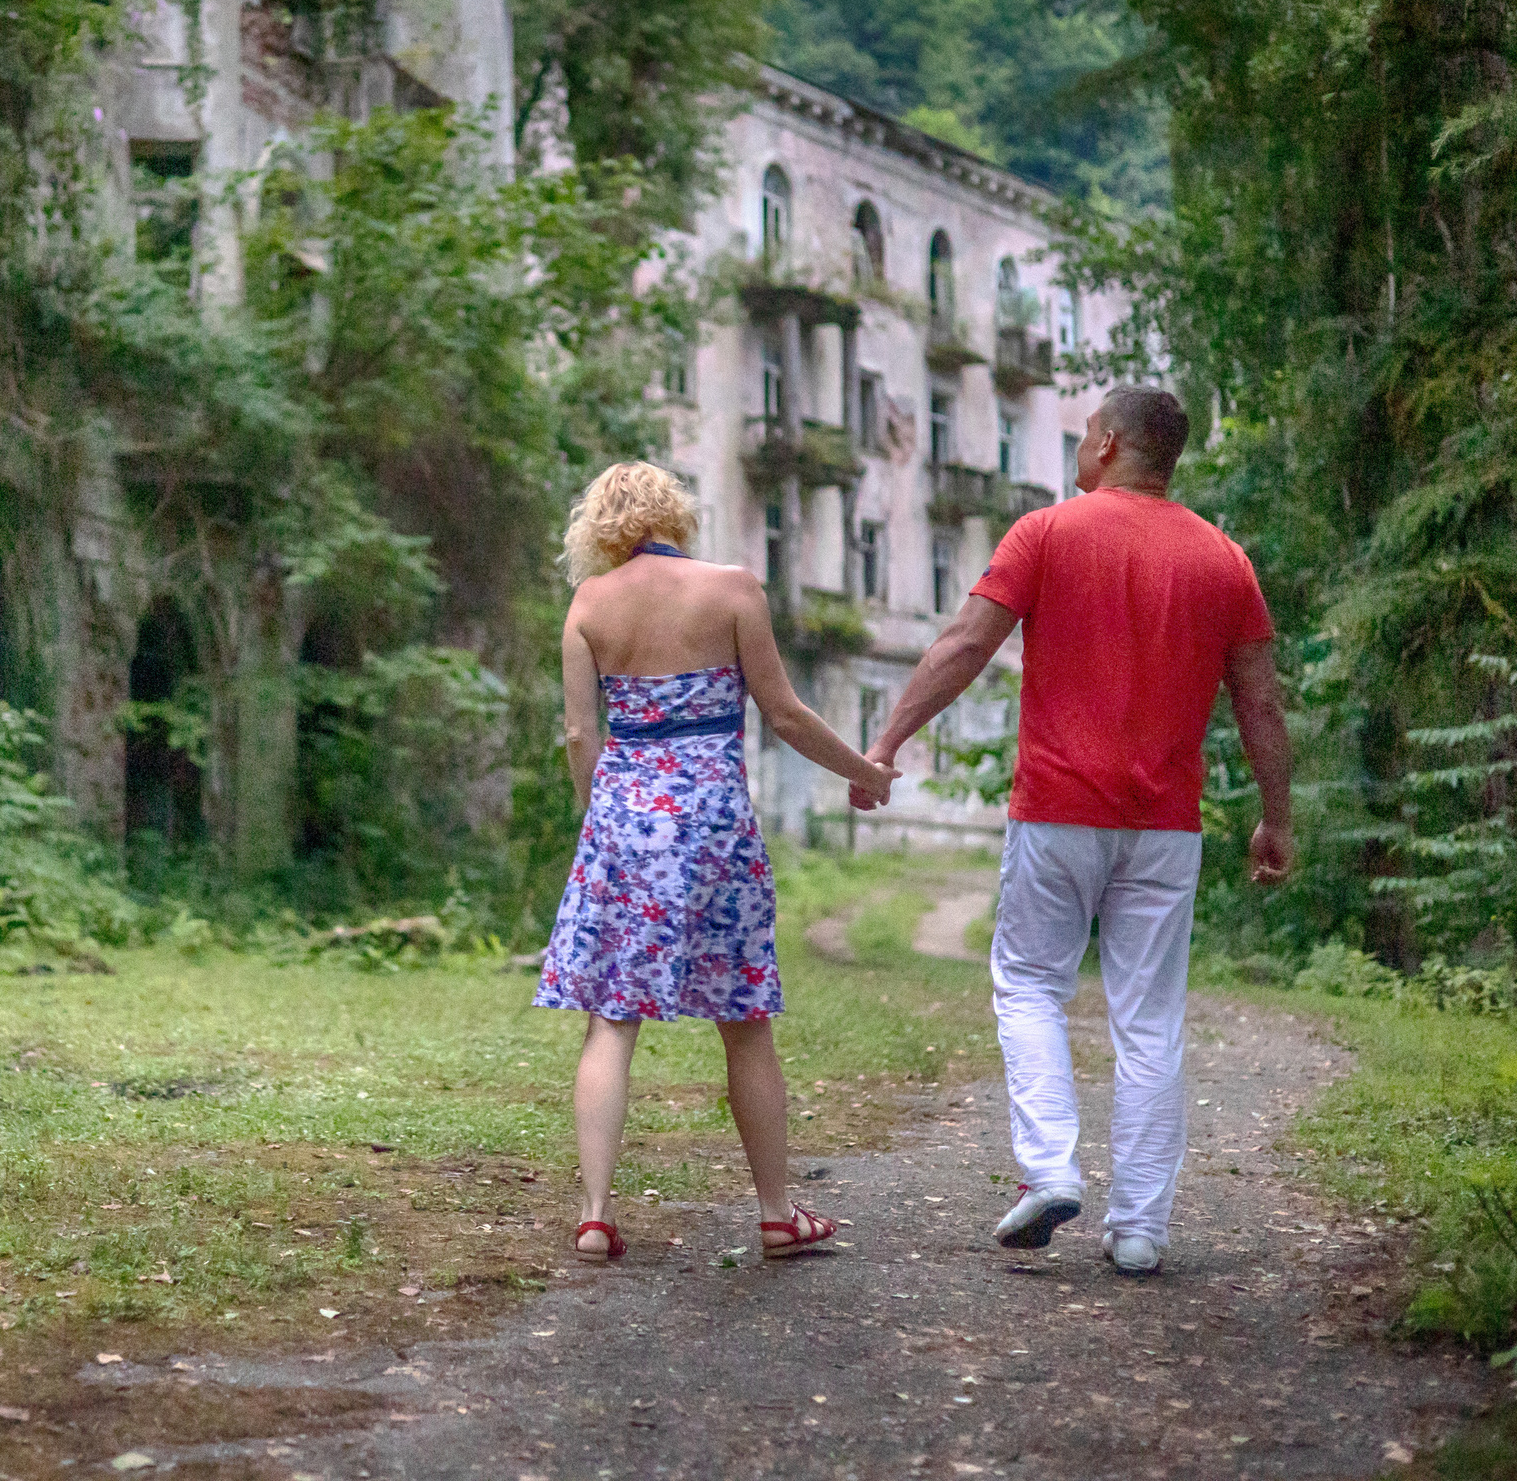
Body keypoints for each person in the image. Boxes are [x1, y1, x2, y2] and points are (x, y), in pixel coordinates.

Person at [854, 387, 1294, 1276]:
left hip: (1058, 811)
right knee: (1149, 1021)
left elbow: (965, 645)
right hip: (1165, 828)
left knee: (1027, 984)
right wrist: (1276, 815)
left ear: (1108, 444)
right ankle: (1138, 1229)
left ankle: (1051, 1169)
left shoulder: (1048, 533)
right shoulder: (1224, 561)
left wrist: (888, 739)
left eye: (1088, 434)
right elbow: (1260, 699)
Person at [536, 462, 900, 1264]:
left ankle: (595, 1214)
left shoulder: (588, 604)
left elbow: (577, 737)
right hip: (713, 819)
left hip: (623, 817)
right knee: (744, 1019)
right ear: (675, 514)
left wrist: (600, 815)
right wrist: (864, 772)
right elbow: (784, 713)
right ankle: (776, 1212)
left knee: (610, 1017)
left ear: (600, 526)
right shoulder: (733, 587)